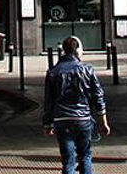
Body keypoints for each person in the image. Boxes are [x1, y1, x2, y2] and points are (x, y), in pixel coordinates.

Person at [43, 36, 110, 174]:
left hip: (62, 119)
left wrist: (48, 124)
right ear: (78, 51)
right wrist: (103, 121)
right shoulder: (87, 70)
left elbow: (49, 101)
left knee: (68, 159)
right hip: (83, 119)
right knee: (85, 155)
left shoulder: (53, 72)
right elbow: (98, 96)